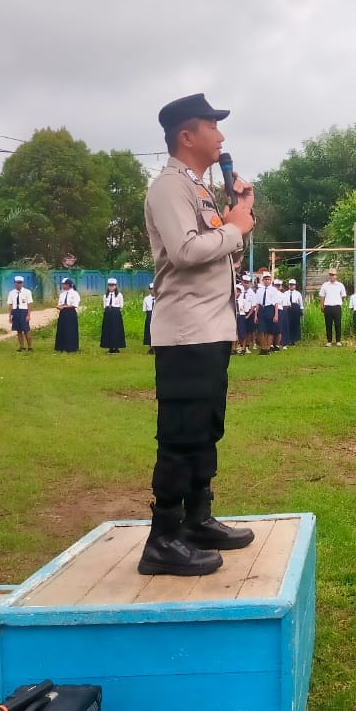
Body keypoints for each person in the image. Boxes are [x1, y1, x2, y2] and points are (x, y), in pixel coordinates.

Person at [140, 92, 256, 577]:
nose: (222, 135)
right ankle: (162, 539)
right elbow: (187, 252)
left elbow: (219, 247)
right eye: (213, 126)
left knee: (206, 428)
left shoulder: (200, 190)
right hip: (185, 332)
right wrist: (233, 229)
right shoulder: (168, 188)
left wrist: (240, 210)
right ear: (187, 136)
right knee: (181, 434)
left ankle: (196, 519)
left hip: (209, 328)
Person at [253, 272, 280, 355]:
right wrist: (255, 315)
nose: (267, 281)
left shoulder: (274, 290)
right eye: (265, 279)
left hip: (270, 308)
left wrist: (276, 314)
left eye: (268, 279)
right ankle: (263, 348)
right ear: (263, 280)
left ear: (271, 280)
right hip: (262, 309)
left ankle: (268, 347)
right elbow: (257, 303)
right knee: (261, 330)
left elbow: (276, 303)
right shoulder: (259, 290)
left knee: (269, 330)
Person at [318, 269, 346, 347]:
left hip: (337, 307)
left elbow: (343, 296)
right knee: (328, 324)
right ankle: (329, 341)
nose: (331, 276)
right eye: (330, 275)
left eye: (333, 275)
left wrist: (339, 302)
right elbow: (322, 296)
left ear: (336, 276)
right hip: (328, 307)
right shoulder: (325, 285)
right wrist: (322, 305)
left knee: (338, 324)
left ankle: (338, 341)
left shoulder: (340, 285)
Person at [6, 275, 34, 352]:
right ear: (14, 283)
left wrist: (28, 315)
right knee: (18, 331)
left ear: (22, 283)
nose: (19, 284)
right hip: (15, 311)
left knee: (26, 330)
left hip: (23, 311)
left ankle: (30, 346)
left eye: (20, 283)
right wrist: (10, 316)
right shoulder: (11, 293)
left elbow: (29, 304)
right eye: (17, 283)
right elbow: (10, 304)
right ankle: (22, 347)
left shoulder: (27, 292)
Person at [54, 277, 81, 353]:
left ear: (69, 285)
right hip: (63, 313)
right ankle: (61, 346)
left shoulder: (75, 293)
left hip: (70, 312)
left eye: (64, 284)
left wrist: (65, 306)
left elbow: (75, 304)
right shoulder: (62, 294)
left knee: (70, 329)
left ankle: (72, 347)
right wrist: (59, 306)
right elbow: (60, 303)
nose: (63, 286)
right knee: (62, 329)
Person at [101, 277, 127, 354]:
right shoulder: (105, 295)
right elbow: (104, 305)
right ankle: (110, 346)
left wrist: (115, 310)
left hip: (115, 313)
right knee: (108, 329)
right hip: (108, 313)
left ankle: (116, 346)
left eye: (112, 285)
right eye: (109, 285)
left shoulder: (119, 295)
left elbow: (121, 305)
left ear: (115, 286)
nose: (111, 287)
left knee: (116, 329)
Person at [235, 273, 255, 355]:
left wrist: (249, 315)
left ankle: (246, 346)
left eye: (248, 282)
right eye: (244, 282)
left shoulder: (252, 293)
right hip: (241, 313)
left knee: (249, 331)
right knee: (240, 330)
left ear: (250, 283)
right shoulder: (239, 291)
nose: (246, 284)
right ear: (242, 282)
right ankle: (240, 345)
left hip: (249, 312)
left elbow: (253, 306)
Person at [282, 278, 304, 346]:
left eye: (293, 285)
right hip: (288, 308)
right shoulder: (285, 293)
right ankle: (288, 339)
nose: (291, 286)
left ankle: (294, 340)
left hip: (295, 308)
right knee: (287, 324)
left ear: (295, 286)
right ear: (288, 285)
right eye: (290, 285)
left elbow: (301, 303)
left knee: (295, 324)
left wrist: (301, 310)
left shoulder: (298, 293)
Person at [142, 282, 156, 354]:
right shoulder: (146, 299)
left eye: (154, 289)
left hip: (157, 314)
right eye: (151, 289)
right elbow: (144, 309)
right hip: (149, 314)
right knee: (149, 331)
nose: (152, 291)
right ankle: (151, 347)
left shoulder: (159, 298)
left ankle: (156, 347)